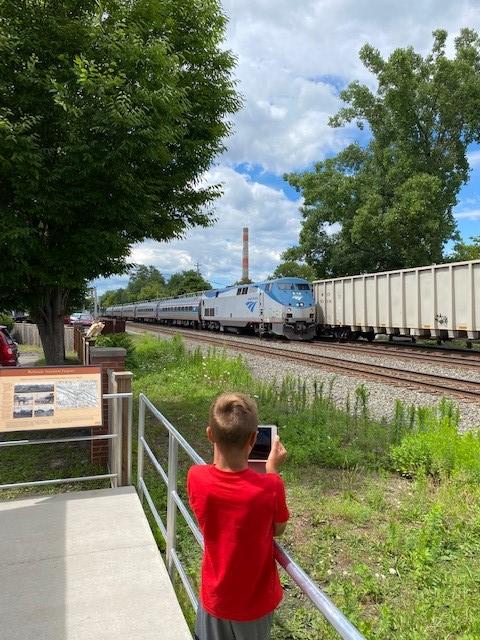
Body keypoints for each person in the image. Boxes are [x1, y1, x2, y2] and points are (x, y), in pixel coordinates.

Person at [187, 392, 289, 640]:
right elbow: (278, 528)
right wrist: (271, 471)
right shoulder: (271, 487)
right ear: (254, 438)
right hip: (255, 605)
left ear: (210, 434)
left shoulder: (196, 478)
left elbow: (219, 482)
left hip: (216, 599)